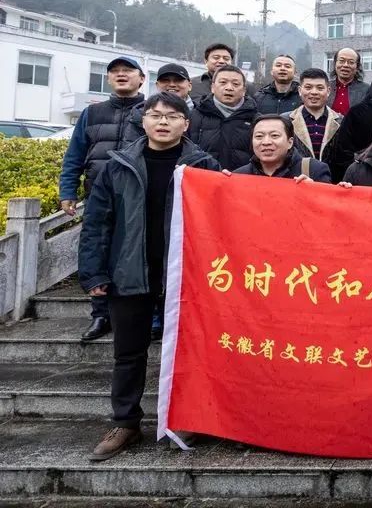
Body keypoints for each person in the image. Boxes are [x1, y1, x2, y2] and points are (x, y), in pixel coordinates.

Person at [77, 92, 220, 461]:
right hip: (129, 273)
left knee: (190, 352)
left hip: (185, 277)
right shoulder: (118, 166)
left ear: (186, 123)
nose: (163, 122)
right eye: (155, 115)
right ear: (144, 121)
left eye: (172, 116)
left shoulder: (204, 166)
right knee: (128, 353)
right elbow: (96, 223)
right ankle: (126, 423)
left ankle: (187, 418)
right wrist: (94, 272)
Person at [60, 55, 147, 342]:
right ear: (108, 79)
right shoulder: (92, 113)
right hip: (98, 194)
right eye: (115, 71)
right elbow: (74, 155)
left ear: (141, 79)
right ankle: (100, 314)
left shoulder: (150, 111)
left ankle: (138, 312)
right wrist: (67, 192)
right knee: (97, 249)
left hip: (137, 196)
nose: (121, 75)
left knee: (136, 252)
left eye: (128, 71)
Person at [187, 65, 258, 171]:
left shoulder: (257, 121)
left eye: (235, 84)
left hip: (242, 179)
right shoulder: (194, 116)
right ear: (212, 87)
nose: (229, 88)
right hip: (203, 178)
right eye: (223, 82)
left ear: (244, 90)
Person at [232, 114, 332, 182]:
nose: (266, 142)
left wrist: (314, 192)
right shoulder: (239, 176)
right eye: (259, 136)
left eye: (274, 135)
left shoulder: (314, 170)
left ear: (290, 142)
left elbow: (329, 205)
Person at [283, 68, 343, 163]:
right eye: (308, 87)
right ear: (300, 90)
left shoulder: (341, 121)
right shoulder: (285, 120)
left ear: (328, 91)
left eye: (320, 88)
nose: (314, 92)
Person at [328, 48, 370, 115]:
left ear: (357, 67)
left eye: (351, 62)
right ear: (335, 63)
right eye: (341, 61)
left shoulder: (367, 90)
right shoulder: (325, 87)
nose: (346, 65)